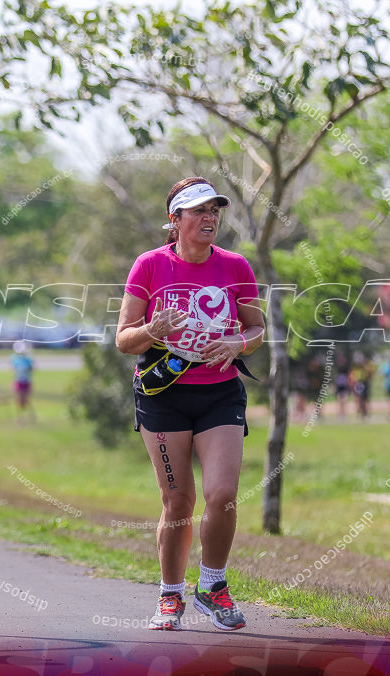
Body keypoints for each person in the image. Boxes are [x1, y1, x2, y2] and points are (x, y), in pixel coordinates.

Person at [116, 177, 264, 632]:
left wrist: (239, 342)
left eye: (215, 210)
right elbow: (124, 339)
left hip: (219, 391)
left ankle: (213, 586)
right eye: (198, 210)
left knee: (223, 496)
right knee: (178, 501)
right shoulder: (150, 266)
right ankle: (170, 596)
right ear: (175, 219)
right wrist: (152, 331)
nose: (209, 218)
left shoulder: (236, 266)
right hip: (164, 396)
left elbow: (258, 329)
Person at [11, 341, 35, 423]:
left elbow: (32, 369)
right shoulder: (15, 359)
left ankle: (31, 415)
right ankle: (19, 417)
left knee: (26, 399)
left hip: (26, 381)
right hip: (19, 381)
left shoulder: (28, 359)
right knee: (18, 399)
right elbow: (13, 370)